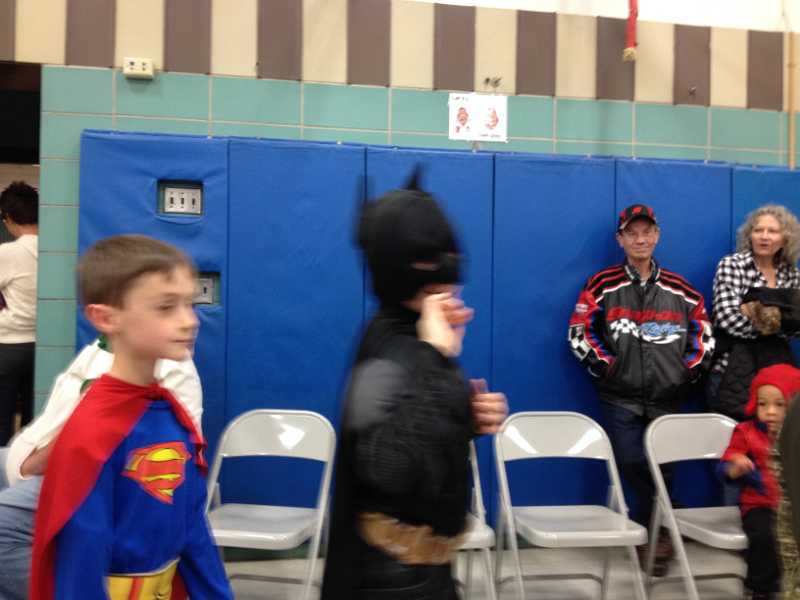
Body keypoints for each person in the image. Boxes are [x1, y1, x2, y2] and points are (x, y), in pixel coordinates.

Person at [321, 173, 507, 599]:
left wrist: (469, 418)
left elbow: (421, 437)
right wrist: (434, 356)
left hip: (427, 572)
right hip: (394, 579)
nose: (451, 281)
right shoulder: (390, 347)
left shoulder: (415, 331)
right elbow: (387, 466)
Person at [30, 235, 232, 599]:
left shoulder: (171, 414)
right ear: (106, 318)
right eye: (166, 307)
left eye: (190, 303)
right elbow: (81, 557)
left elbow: (192, 530)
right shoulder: (94, 432)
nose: (189, 321)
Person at [568, 203, 714, 575]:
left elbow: (704, 335)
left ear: (657, 236)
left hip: (668, 396)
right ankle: (664, 519)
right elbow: (579, 333)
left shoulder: (682, 289)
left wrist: (685, 372)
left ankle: (654, 536)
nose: (640, 239)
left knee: (665, 468)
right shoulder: (601, 285)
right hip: (620, 396)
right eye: (631, 233)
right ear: (620, 239)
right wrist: (608, 367)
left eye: (646, 232)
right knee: (631, 460)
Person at [0, 335, 202, 600]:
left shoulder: (164, 369)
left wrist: (31, 463)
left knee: (3, 526)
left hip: (90, 479)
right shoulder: (100, 349)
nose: (188, 322)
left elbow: (102, 448)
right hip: (47, 461)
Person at [709, 205, 800, 421]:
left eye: (772, 231)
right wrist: (780, 320)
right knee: (734, 436)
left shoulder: (792, 274)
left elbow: (797, 327)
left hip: (777, 370)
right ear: (749, 235)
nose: (764, 236)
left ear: (785, 239)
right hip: (732, 369)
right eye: (758, 230)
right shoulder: (733, 265)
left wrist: (755, 311)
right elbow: (727, 319)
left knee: (775, 436)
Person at [0, 182, 38, 445]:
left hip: (8, 346)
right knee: (34, 423)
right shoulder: (57, 250)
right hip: (42, 345)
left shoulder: (8, 252)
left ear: (9, 218)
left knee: (2, 421)